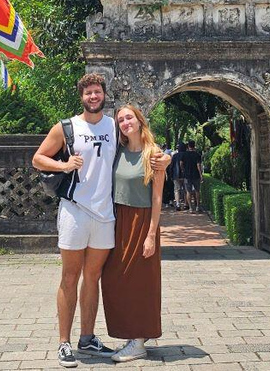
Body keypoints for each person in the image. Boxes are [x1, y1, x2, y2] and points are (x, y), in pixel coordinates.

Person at [32, 74, 169, 368]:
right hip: (75, 210)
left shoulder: (113, 126)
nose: (93, 97)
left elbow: (141, 145)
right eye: (88, 93)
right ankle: (64, 343)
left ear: (104, 95)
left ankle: (87, 337)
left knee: (93, 277)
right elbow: (38, 158)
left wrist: (164, 159)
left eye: (97, 92)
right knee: (70, 277)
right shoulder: (67, 127)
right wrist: (64, 164)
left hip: (106, 215)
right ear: (81, 97)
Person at [101, 105, 165, 363]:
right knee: (115, 277)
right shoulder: (117, 151)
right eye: (120, 120)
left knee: (141, 280)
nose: (125, 122)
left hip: (142, 220)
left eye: (129, 117)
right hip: (118, 219)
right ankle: (133, 334)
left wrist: (151, 234)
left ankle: (138, 341)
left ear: (139, 121)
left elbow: (158, 198)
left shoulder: (154, 154)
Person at [180, 140, 203, 213]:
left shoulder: (184, 154)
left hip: (187, 175)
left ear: (188, 146)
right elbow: (198, 165)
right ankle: (197, 207)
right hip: (196, 175)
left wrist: (183, 170)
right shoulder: (197, 154)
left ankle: (190, 208)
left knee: (188, 192)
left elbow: (181, 163)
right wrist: (201, 175)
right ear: (194, 145)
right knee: (197, 191)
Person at [171, 143, 187, 211]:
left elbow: (171, 166)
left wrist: (171, 175)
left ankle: (177, 204)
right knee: (186, 190)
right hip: (185, 175)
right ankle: (186, 204)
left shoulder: (174, 156)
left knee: (177, 190)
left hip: (176, 175)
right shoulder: (186, 155)